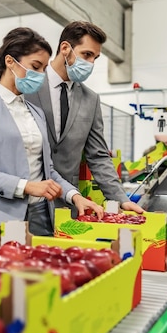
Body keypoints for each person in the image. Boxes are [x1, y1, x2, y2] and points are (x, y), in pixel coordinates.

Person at [0, 27, 104, 249]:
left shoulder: (34, 111)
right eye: (35, 67)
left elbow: (48, 169)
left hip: (39, 220)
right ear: (10, 61)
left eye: (44, 69)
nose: (40, 75)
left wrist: (74, 196)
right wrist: (27, 186)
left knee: (35, 283)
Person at [25, 21, 144, 214]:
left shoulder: (91, 100)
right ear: (65, 48)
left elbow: (98, 155)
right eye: (86, 55)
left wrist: (121, 198)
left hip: (67, 203)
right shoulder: (28, 86)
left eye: (95, 58)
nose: (90, 64)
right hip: (24, 199)